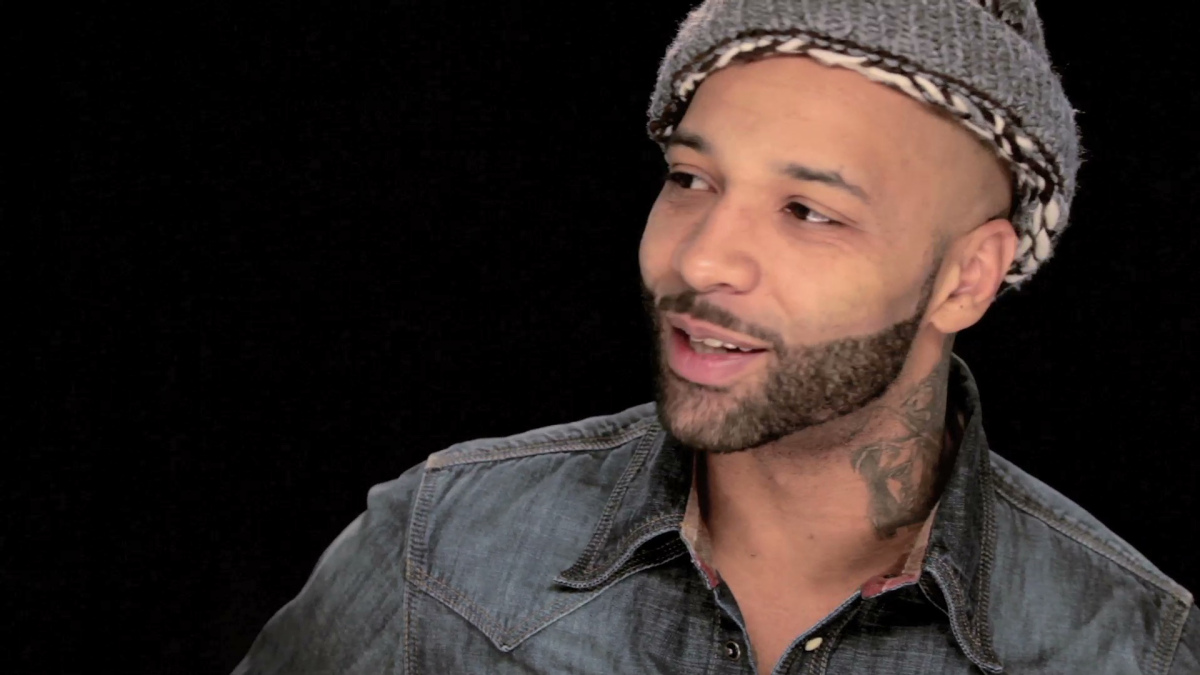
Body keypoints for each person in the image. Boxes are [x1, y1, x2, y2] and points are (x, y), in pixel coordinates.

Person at [232, 0, 1198, 673]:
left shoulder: (1126, 646)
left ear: (966, 277)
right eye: (691, 180)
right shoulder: (442, 549)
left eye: (808, 211)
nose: (701, 260)